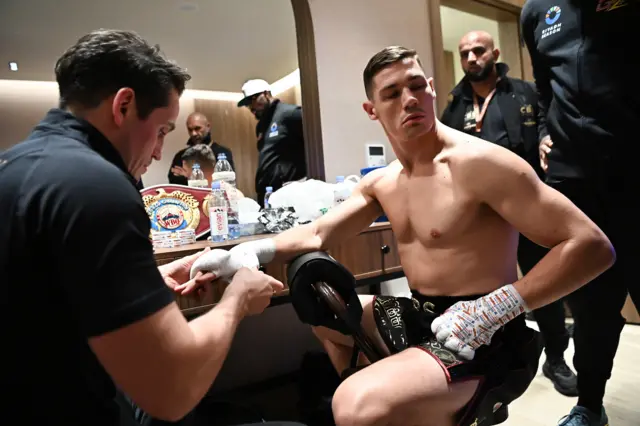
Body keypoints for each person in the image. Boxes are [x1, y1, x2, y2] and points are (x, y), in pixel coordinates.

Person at [186, 46, 615, 426]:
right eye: (392, 93)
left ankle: (390, 405)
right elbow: (319, 232)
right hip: (426, 317)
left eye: (416, 86)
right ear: (371, 109)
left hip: (490, 337)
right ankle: (408, 405)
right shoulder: (384, 182)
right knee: (319, 308)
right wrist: (246, 252)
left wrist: (498, 307)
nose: (409, 99)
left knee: (353, 406)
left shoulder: (482, 164)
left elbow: (592, 246)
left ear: (431, 88)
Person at [0, 29, 302, 426]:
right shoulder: (97, 187)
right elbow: (171, 392)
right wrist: (238, 301)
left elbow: (44, 296)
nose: (160, 151)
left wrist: (147, 277)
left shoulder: (16, 166)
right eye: (161, 131)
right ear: (124, 105)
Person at [440, 30, 576, 397]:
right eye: (465, 52)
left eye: (478, 50)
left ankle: (556, 356)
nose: (470, 57)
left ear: (494, 53)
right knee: (482, 286)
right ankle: (487, 358)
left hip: (526, 205)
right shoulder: (453, 105)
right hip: (478, 214)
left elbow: (549, 121)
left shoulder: (524, 92)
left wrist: (549, 139)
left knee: (541, 281)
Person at [522, 1, 639, 424]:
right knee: (591, 309)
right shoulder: (537, 11)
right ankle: (589, 405)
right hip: (575, 185)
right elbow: (543, 86)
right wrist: (543, 132)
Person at [237, 79, 307, 203]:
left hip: (288, 194)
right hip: (267, 194)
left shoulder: (290, 114)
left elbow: (313, 144)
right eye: (248, 103)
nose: (251, 107)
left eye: (253, 99)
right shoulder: (261, 126)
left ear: (266, 93)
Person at [168, 112, 234, 185]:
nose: (194, 133)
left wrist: (190, 176)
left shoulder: (223, 153)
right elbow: (174, 182)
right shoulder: (180, 155)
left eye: (197, 128)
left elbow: (226, 181)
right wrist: (207, 176)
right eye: (190, 130)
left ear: (208, 127)